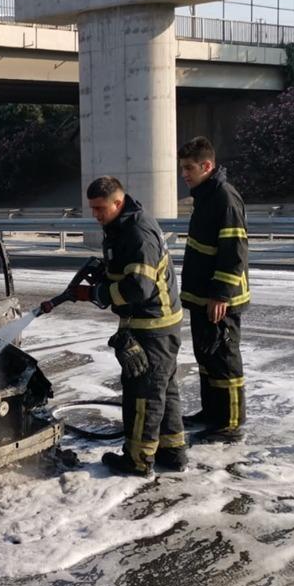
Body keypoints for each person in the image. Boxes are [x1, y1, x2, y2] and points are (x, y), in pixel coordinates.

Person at [70, 176, 186, 476]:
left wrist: (97, 293)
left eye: (100, 208)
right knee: (163, 388)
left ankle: (138, 460)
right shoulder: (122, 225)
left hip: (153, 326)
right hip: (157, 323)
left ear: (118, 203)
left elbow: (139, 288)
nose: (95, 215)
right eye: (92, 208)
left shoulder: (137, 233)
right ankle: (172, 451)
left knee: (143, 394)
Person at [178, 137, 250, 444]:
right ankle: (212, 413)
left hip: (220, 300)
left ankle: (230, 423)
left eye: (189, 168)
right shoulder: (206, 195)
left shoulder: (224, 197)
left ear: (207, 165)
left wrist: (221, 294)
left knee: (224, 360)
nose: (184, 174)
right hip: (202, 296)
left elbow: (234, 251)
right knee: (207, 357)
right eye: (182, 168)